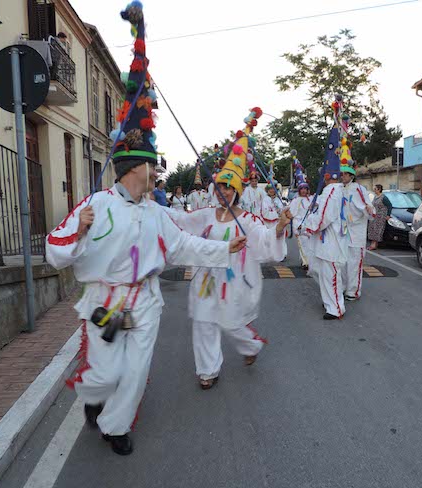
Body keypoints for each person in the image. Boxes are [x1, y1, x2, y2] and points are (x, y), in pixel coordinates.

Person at [45, 2, 246, 457]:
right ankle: (96, 398)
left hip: (147, 303)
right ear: (131, 169)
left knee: (134, 372)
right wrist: (77, 235)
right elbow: (54, 249)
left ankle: (117, 426)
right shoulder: (95, 205)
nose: (157, 175)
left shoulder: (156, 212)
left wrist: (224, 245)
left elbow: (182, 245)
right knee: (105, 372)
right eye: (152, 169)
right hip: (105, 302)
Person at [167, 109, 290, 389]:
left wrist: (280, 227)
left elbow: (264, 238)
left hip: (233, 280)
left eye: (229, 188)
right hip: (205, 279)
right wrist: (151, 208)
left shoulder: (247, 220)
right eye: (220, 187)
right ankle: (208, 370)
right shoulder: (206, 215)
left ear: (237, 191)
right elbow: (181, 221)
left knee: (231, 322)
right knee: (203, 321)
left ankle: (251, 346)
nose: (224, 192)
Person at [303, 117, 349, 320]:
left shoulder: (332, 191)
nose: (321, 176)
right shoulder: (332, 191)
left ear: (329, 175)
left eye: (323, 173)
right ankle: (332, 302)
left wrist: (309, 227)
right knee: (324, 274)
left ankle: (335, 308)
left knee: (330, 275)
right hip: (329, 242)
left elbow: (324, 217)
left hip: (330, 243)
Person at [340, 150, 375, 301]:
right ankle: (342, 288)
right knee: (342, 262)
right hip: (343, 232)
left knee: (355, 263)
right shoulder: (339, 189)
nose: (342, 177)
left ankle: (353, 291)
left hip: (357, 233)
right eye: (341, 174)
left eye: (344, 174)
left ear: (350, 175)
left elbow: (370, 209)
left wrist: (369, 210)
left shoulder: (359, 189)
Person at [289, 154, 313, 270]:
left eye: (305, 189)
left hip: (310, 225)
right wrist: (296, 226)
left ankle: (310, 260)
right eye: (302, 189)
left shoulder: (312, 199)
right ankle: (305, 261)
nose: (304, 191)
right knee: (302, 244)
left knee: (310, 244)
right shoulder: (295, 200)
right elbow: (292, 214)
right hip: (299, 224)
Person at [367, 184, 392, 251]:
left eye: (375, 189)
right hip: (374, 216)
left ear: (379, 189)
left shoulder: (384, 197)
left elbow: (389, 206)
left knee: (377, 230)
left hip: (380, 216)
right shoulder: (375, 197)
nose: (374, 190)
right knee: (372, 229)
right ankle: (373, 244)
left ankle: (373, 245)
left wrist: (388, 215)